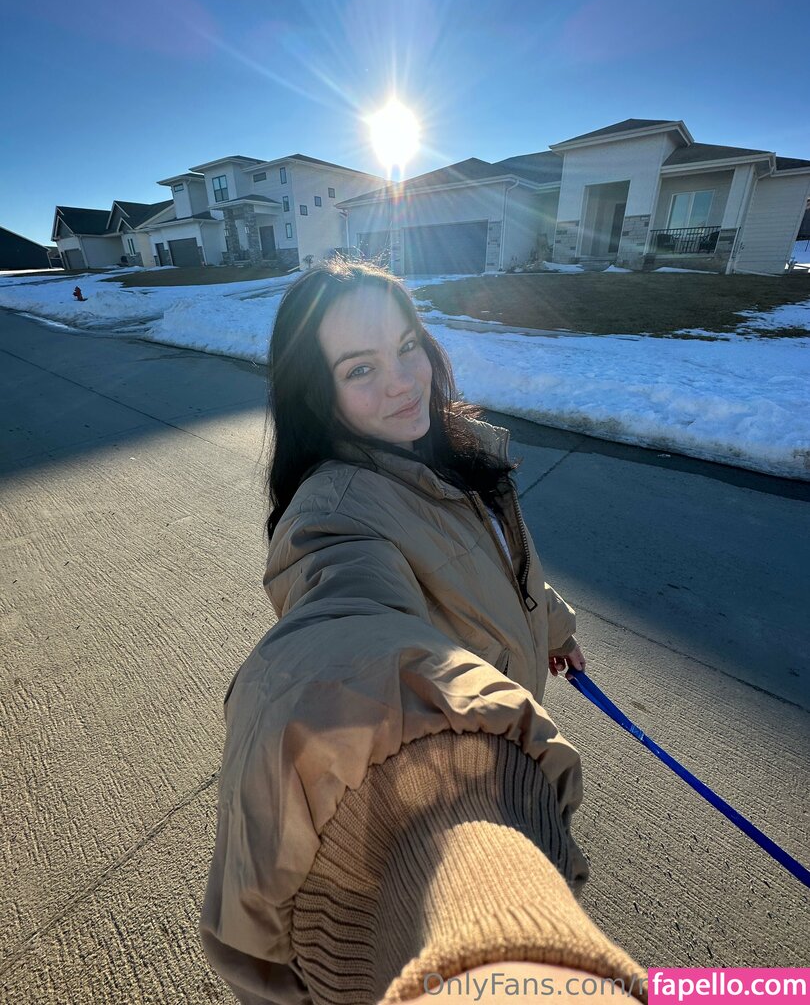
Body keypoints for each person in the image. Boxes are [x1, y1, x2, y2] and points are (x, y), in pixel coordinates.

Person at [199, 260, 646, 1004]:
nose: (403, 381)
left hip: (509, 692)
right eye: (361, 368)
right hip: (465, 760)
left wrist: (554, 628)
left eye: (407, 346)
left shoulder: (454, 446)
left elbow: (509, 563)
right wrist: (487, 911)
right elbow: (342, 625)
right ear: (317, 392)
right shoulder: (334, 512)